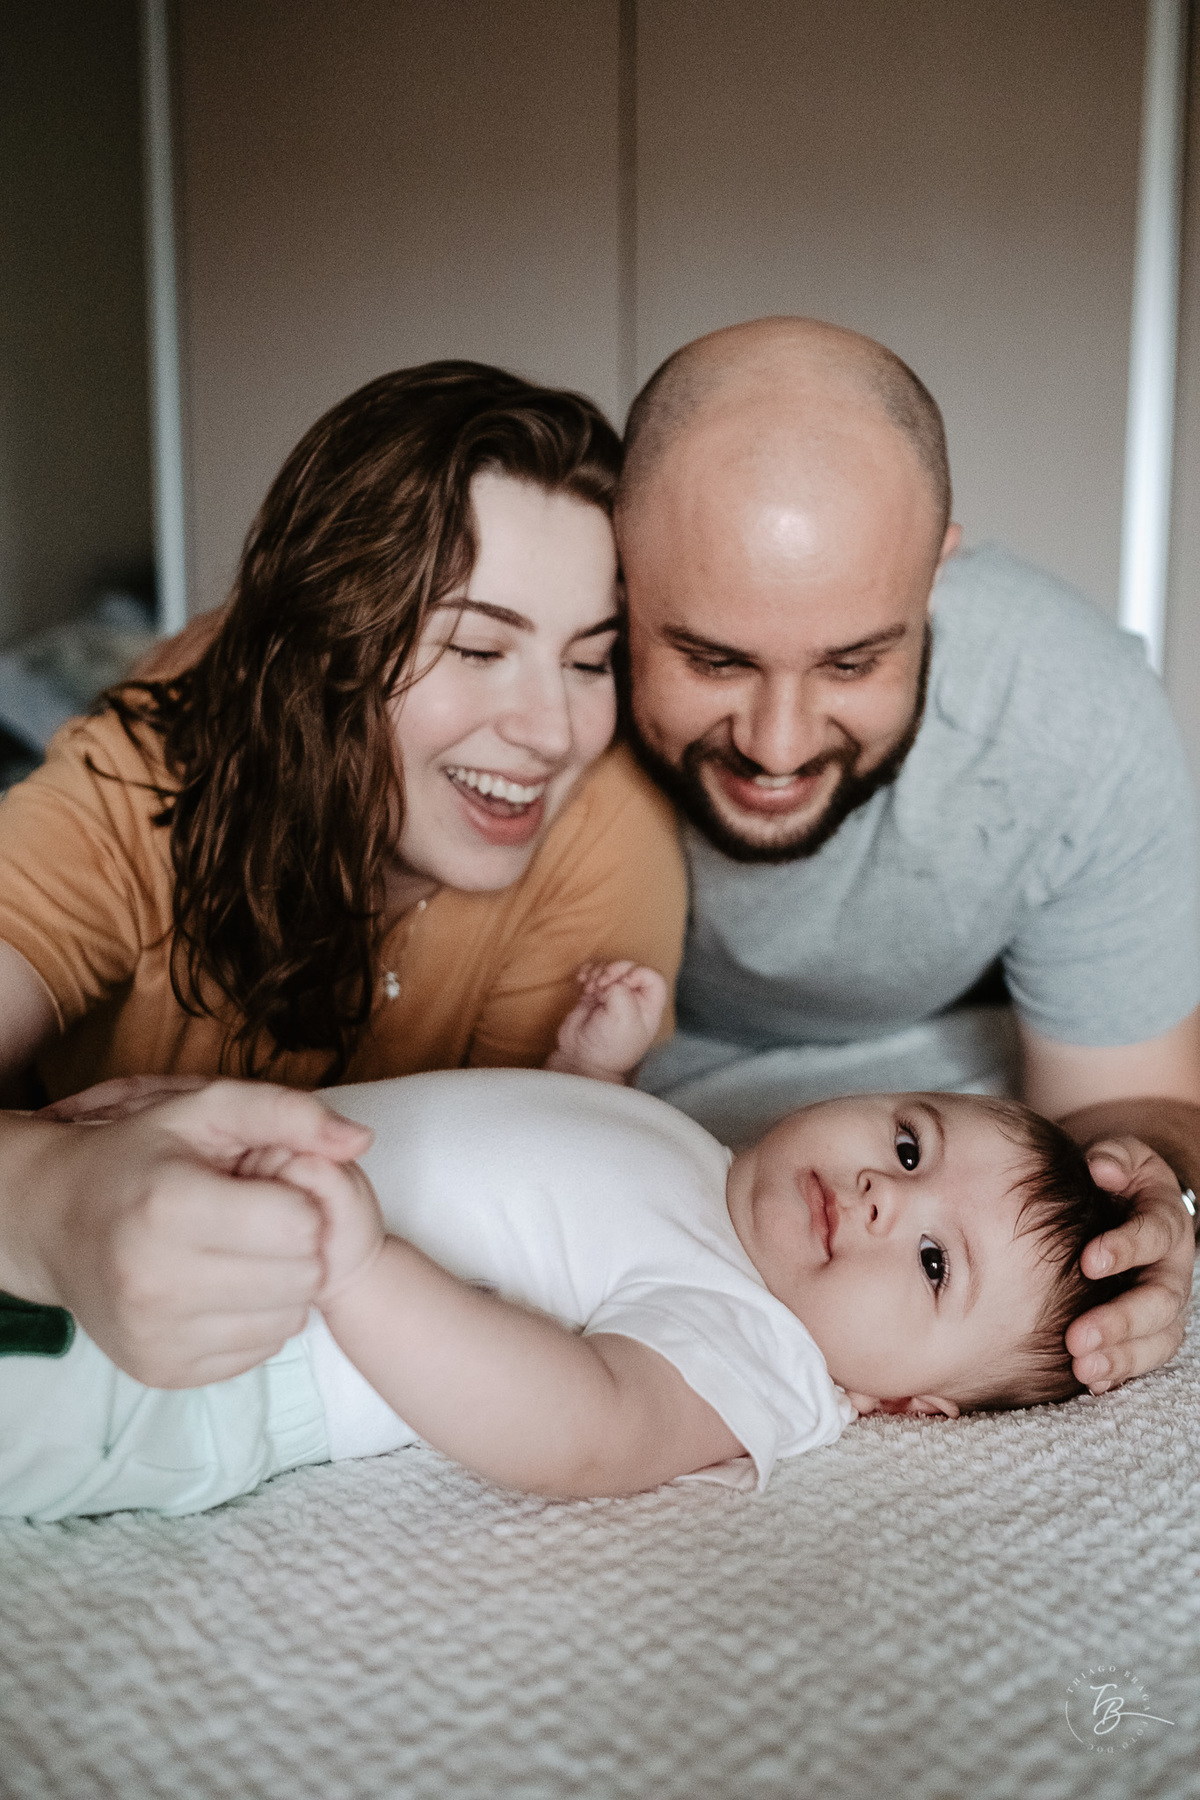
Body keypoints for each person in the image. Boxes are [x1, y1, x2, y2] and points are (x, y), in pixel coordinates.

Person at [0, 363, 686, 1387]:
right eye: (477, 647)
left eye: (589, 661)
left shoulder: (605, 836)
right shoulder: (142, 777)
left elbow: (531, 1234)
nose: (551, 733)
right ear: (328, 650)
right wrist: (53, 1203)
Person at [0, 961, 1141, 1521]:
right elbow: (562, 1206)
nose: (888, 1198)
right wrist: (591, 1081)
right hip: (189, 1200)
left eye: (937, 1265)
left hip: (209, 1356)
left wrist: (363, 1268)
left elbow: (588, 1424)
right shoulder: (705, 1163)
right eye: (906, 1143)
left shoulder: (759, 1348)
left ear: (907, 1404)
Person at [614, 316, 1200, 1396]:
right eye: (711, 657)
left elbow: (1129, 1097)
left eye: (853, 662)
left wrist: (1156, 1200)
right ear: (618, 571)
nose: (776, 745)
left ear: (938, 570)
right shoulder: (514, 690)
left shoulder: (1075, 718)